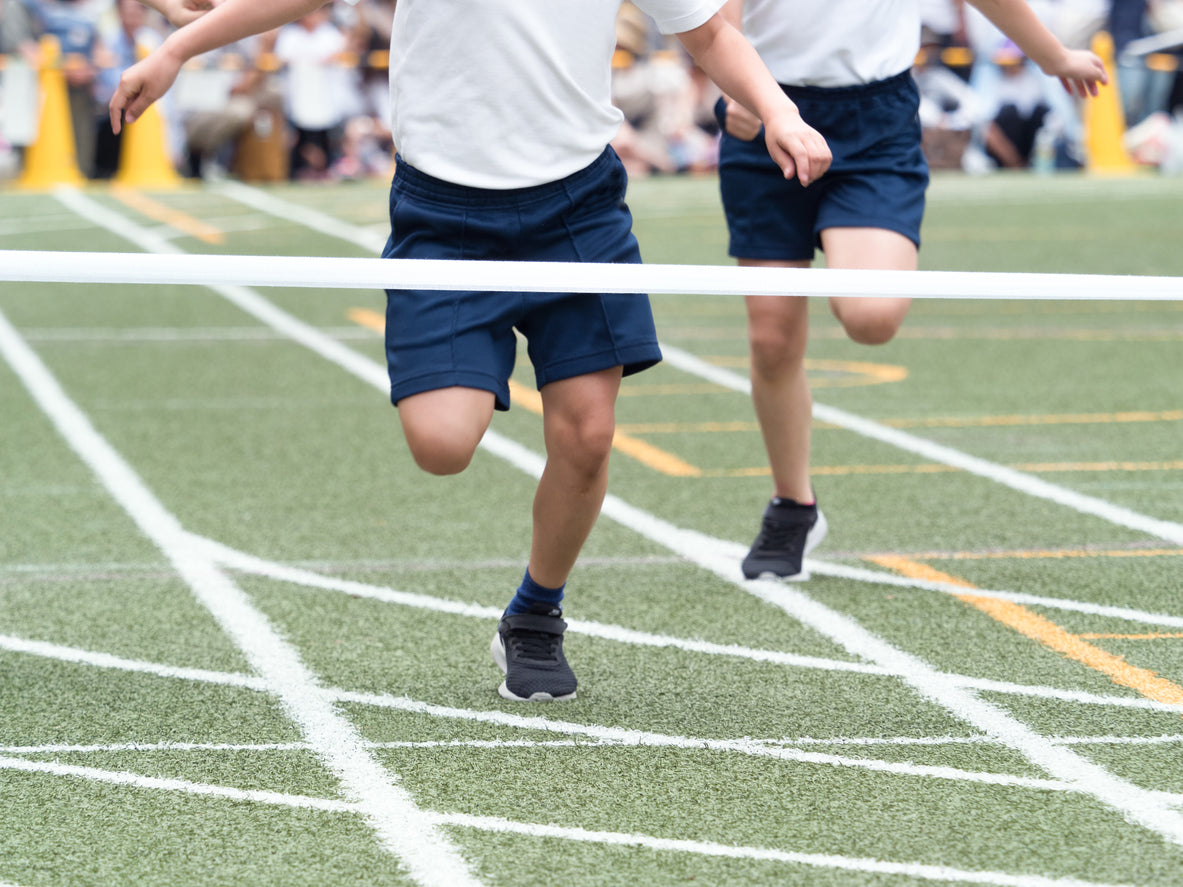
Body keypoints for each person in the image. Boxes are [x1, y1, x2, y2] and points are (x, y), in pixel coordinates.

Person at [111, 0, 831, 701]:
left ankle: (535, 613)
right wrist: (177, 50)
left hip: (577, 206)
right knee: (440, 444)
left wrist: (779, 112)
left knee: (587, 433)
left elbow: (708, 34)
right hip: (442, 210)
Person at [714, 0, 1106, 581]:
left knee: (872, 316)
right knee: (772, 338)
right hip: (767, 113)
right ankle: (793, 505)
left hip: (875, 118)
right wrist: (737, 96)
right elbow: (711, 17)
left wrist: (1053, 55)